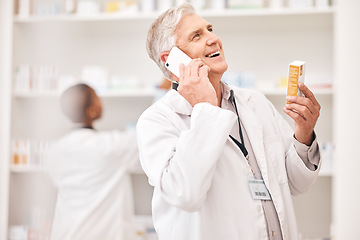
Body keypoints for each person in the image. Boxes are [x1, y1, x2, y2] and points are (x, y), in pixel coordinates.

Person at [136, 3, 321, 240]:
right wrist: (204, 108)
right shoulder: (157, 121)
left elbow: (296, 184)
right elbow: (185, 194)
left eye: (210, 29)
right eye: (197, 35)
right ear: (171, 60)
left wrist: (304, 134)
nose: (214, 38)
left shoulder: (254, 102)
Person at [46, 83, 138, 240]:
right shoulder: (111, 145)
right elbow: (147, 139)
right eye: (97, 98)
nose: (101, 102)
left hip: (66, 233)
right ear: (90, 111)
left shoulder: (55, 150)